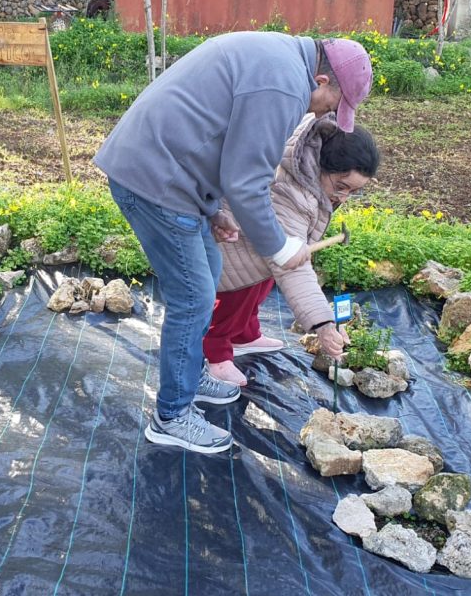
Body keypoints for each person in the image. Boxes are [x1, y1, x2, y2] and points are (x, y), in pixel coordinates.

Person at [94, 32, 372, 454]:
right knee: (194, 298)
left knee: (205, 276)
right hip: (154, 180)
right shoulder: (282, 84)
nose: (329, 112)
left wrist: (212, 209)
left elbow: (217, 140)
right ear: (321, 81)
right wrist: (281, 248)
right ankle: (171, 415)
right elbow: (246, 183)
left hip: (171, 176)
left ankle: (188, 377)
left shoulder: (279, 59)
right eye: (334, 103)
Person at [205, 115, 380, 385]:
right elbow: (294, 269)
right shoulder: (290, 190)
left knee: (259, 284)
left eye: (352, 192)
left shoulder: (310, 174)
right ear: (323, 165)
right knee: (235, 296)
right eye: (341, 187)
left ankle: (244, 335)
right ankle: (215, 355)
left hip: (257, 246)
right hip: (234, 244)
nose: (343, 198)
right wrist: (323, 324)